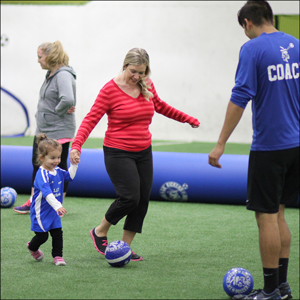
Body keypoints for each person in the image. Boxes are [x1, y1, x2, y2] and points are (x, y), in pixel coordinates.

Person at [70, 48, 200, 261]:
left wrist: (186, 118)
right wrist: (77, 145)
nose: (137, 77)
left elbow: (160, 106)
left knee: (142, 201)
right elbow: (91, 119)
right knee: (130, 197)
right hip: (117, 152)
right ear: (124, 66)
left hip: (143, 151)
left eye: (142, 72)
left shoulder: (146, 84)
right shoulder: (109, 90)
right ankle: (100, 231)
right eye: (133, 72)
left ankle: (124, 247)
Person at [208, 1, 299, 299]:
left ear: (247, 23)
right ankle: (282, 287)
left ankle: (271, 290)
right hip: (296, 145)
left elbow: (240, 96)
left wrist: (220, 143)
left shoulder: (252, 49)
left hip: (270, 147)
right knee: (281, 212)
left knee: (267, 217)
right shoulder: (296, 45)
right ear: (270, 17)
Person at [13, 41, 76, 214]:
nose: (38, 60)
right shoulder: (51, 74)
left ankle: (56, 206)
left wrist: (55, 112)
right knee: (38, 165)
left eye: (40, 57)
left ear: (50, 56)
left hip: (58, 130)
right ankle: (35, 202)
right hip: (45, 128)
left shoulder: (63, 75)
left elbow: (68, 99)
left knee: (58, 166)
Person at [27, 133, 78, 266]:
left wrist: (74, 165)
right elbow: (47, 193)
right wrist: (57, 206)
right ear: (42, 158)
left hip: (54, 211)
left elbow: (70, 177)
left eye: (58, 157)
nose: (56, 161)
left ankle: (58, 257)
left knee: (57, 234)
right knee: (42, 236)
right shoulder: (41, 174)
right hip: (41, 212)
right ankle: (32, 247)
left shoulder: (57, 170)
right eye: (52, 158)